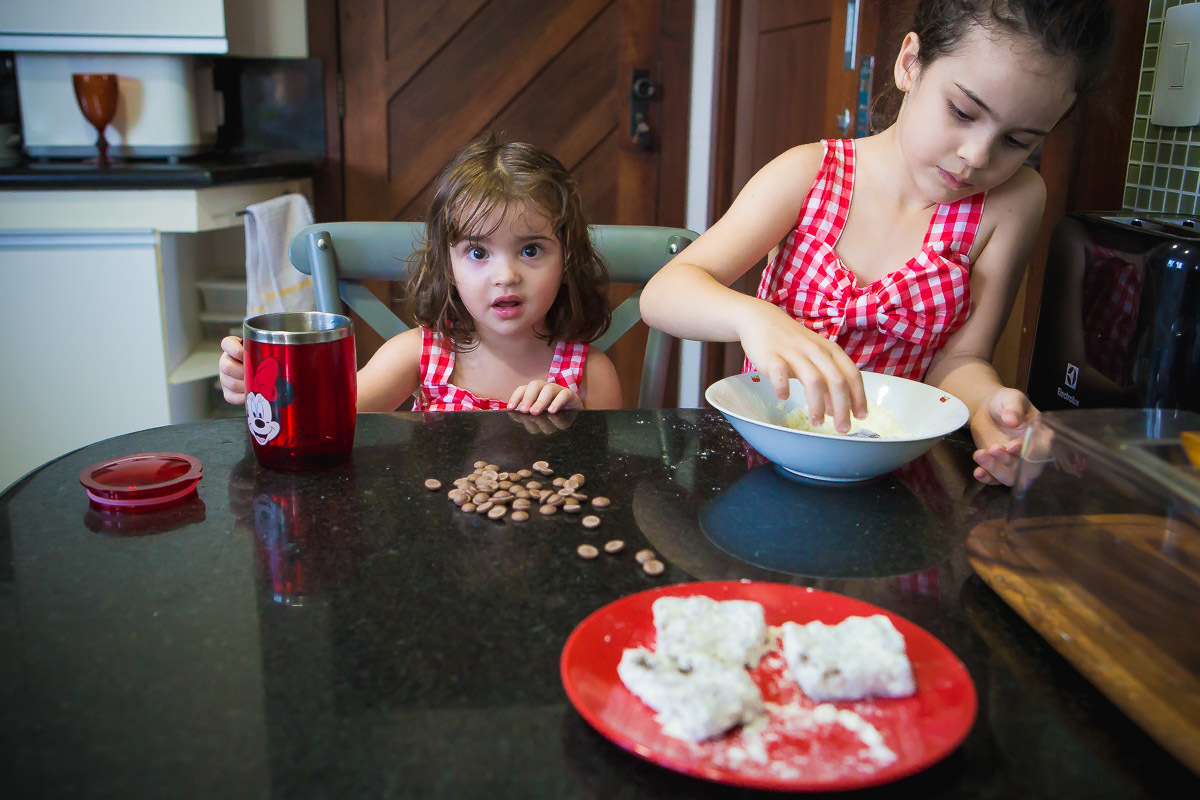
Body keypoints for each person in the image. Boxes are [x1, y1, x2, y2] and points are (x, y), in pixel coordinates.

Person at [639, 0, 1114, 486]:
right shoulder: (809, 173)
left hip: (899, 480)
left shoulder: (1012, 202)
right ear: (910, 63)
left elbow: (962, 360)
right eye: (962, 111)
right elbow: (664, 294)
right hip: (766, 462)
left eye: (1018, 141)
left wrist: (988, 404)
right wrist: (755, 316)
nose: (976, 156)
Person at [219, 136, 623, 414]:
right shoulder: (420, 354)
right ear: (447, 265)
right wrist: (261, 384)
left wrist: (578, 428)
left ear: (567, 257)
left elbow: (608, 477)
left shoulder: (589, 375)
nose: (506, 275)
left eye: (530, 250)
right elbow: (327, 411)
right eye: (478, 252)